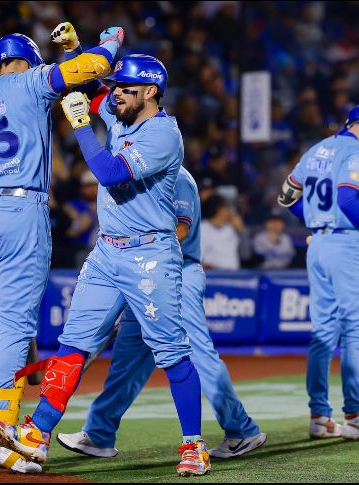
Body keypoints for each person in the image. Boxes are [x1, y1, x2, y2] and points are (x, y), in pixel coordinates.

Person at [0, 53, 211, 478]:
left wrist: (80, 126)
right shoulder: (120, 106)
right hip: (108, 252)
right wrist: (79, 53)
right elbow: (85, 89)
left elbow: (109, 173)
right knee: (74, 344)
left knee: (171, 352)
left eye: (126, 88)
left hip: (150, 255)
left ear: (151, 92)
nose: (116, 94)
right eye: (116, 86)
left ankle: (194, 446)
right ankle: (37, 434)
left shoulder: (163, 135)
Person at [0, 24, 124, 473]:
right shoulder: (31, 81)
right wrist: (114, 39)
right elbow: (96, 66)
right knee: (17, 326)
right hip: (20, 209)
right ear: (27, 59)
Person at [56, 166, 266, 460]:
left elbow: (182, 228)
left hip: (175, 272)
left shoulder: (177, 177)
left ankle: (240, 429)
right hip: (143, 273)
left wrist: (135, 248)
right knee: (128, 361)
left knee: (195, 353)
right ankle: (100, 433)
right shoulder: (144, 172)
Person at [278, 104, 359, 440]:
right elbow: (348, 200)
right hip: (347, 247)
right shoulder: (356, 153)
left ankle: (320, 417)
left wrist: (317, 221)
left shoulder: (317, 149)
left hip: (317, 246)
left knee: (322, 334)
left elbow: (286, 197)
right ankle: (354, 417)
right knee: (354, 334)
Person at [200, 195, 244, 270]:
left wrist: (241, 231)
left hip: (234, 275)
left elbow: (245, 255)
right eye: (226, 207)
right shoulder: (202, 228)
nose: (229, 211)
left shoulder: (231, 228)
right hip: (213, 275)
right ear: (218, 209)